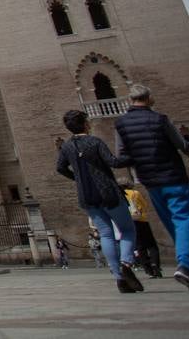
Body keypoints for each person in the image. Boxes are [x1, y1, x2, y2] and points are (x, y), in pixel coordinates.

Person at [113, 84, 189, 294]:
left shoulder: (121, 124)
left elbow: (121, 156)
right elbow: (182, 144)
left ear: (130, 100)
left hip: (150, 181)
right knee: (184, 221)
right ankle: (187, 267)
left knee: (175, 226)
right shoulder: (160, 119)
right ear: (149, 98)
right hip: (173, 177)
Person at [55, 109, 142, 293]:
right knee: (127, 229)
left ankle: (118, 277)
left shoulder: (67, 147)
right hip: (107, 192)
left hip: (87, 195)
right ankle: (126, 263)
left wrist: (77, 179)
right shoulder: (94, 141)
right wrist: (131, 156)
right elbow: (113, 162)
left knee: (106, 234)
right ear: (86, 124)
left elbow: (60, 168)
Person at [124, 182, 162, 278]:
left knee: (140, 247)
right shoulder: (135, 193)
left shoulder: (119, 195)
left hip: (129, 222)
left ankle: (148, 269)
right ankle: (155, 264)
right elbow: (144, 205)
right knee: (151, 244)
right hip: (141, 220)